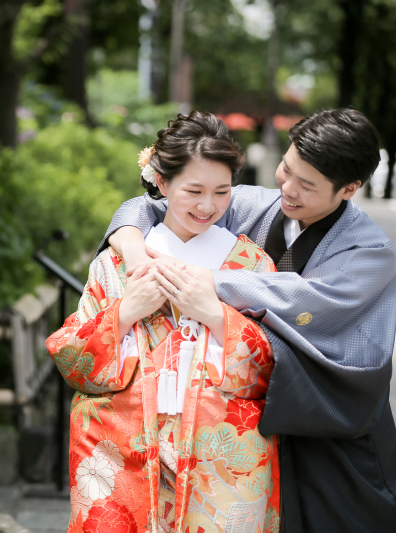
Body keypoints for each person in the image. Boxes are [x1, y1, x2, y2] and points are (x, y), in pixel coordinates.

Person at [103, 108, 396, 532]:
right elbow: (155, 202)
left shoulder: (369, 251)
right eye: (287, 169)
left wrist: (208, 284)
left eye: (307, 185)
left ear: (349, 189)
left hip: (322, 415)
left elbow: (301, 300)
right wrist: (132, 245)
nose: (288, 188)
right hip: (254, 419)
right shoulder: (255, 205)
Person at [46, 112, 282, 533]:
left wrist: (214, 315)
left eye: (222, 191)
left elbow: (277, 367)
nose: (208, 206)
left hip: (221, 455)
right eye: (193, 190)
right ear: (161, 182)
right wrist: (125, 311)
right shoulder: (117, 264)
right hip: (124, 448)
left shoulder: (252, 264)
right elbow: (70, 357)